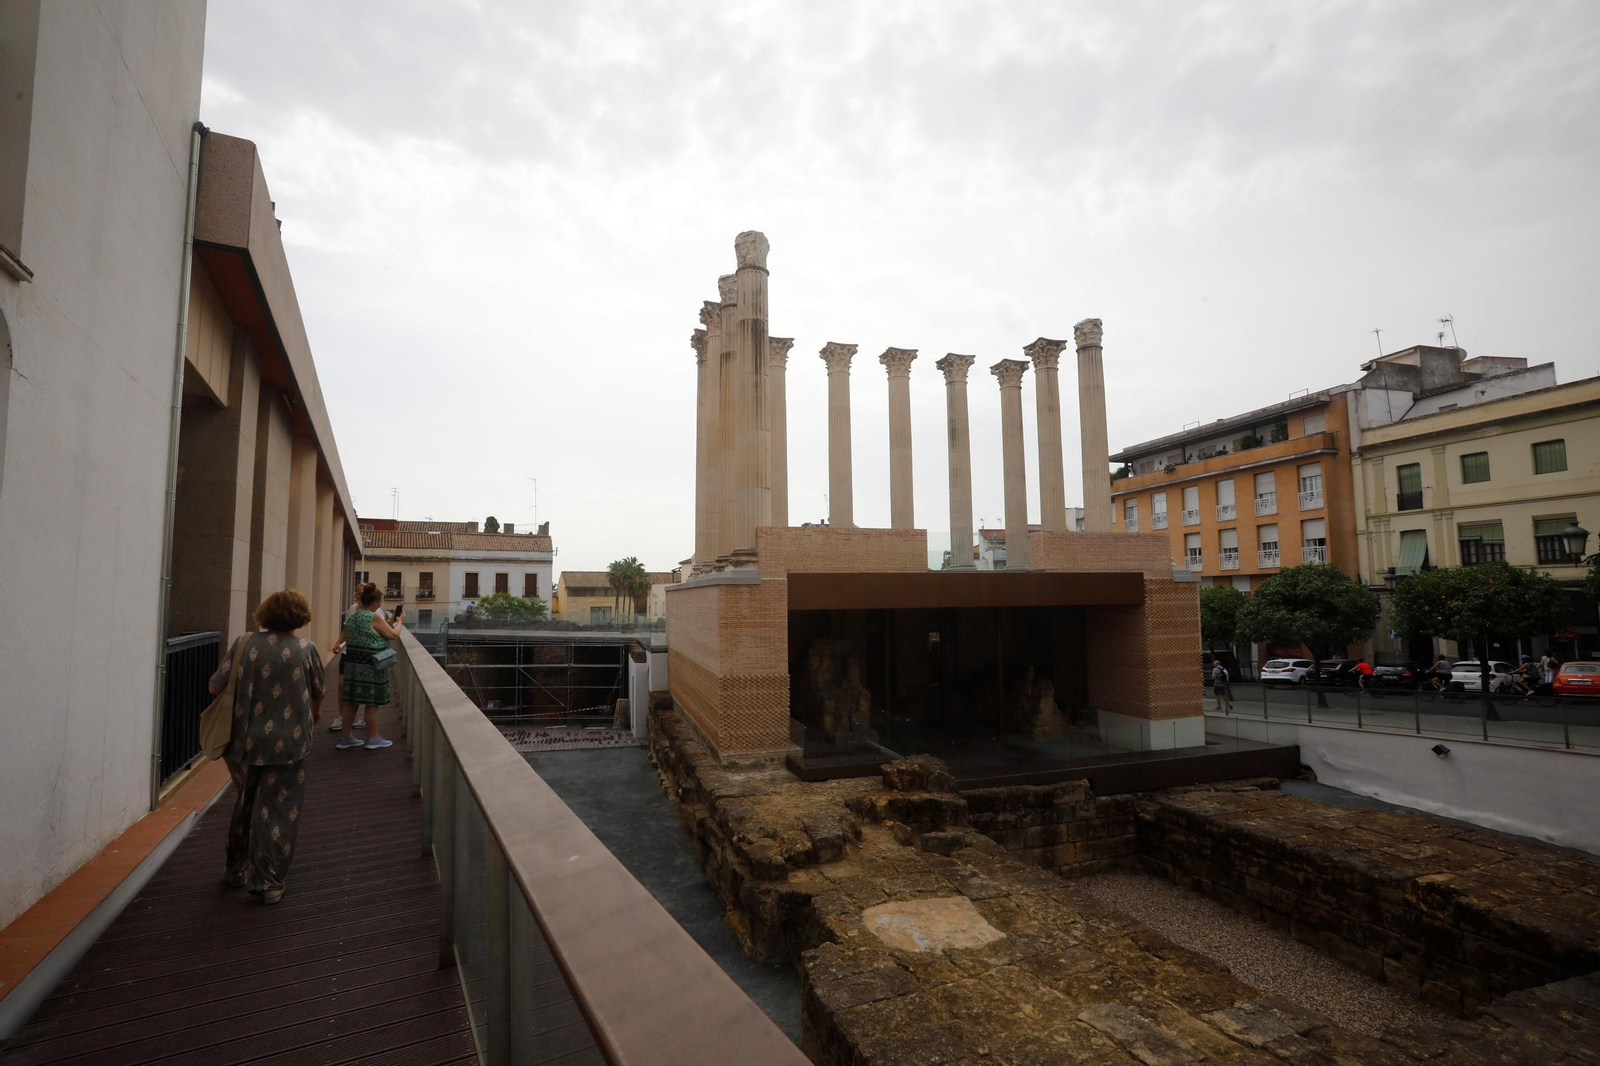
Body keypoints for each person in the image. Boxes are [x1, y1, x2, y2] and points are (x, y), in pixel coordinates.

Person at [208, 589, 326, 905]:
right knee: (279, 808)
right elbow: (318, 694)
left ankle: (236, 870)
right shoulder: (307, 649)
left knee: (246, 801)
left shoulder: (244, 644)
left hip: (243, 741)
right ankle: (270, 881)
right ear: (300, 617)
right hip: (290, 744)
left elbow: (214, 685)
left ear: (265, 614)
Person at [337, 582, 404, 750]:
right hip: (370, 665)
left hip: (352, 664)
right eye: (379, 602)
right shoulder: (373, 616)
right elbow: (393, 634)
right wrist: (400, 621)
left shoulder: (353, 616)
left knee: (351, 701)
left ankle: (345, 738)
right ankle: (373, 739)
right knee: (371, 702)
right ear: (374, 602)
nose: (380, 605)